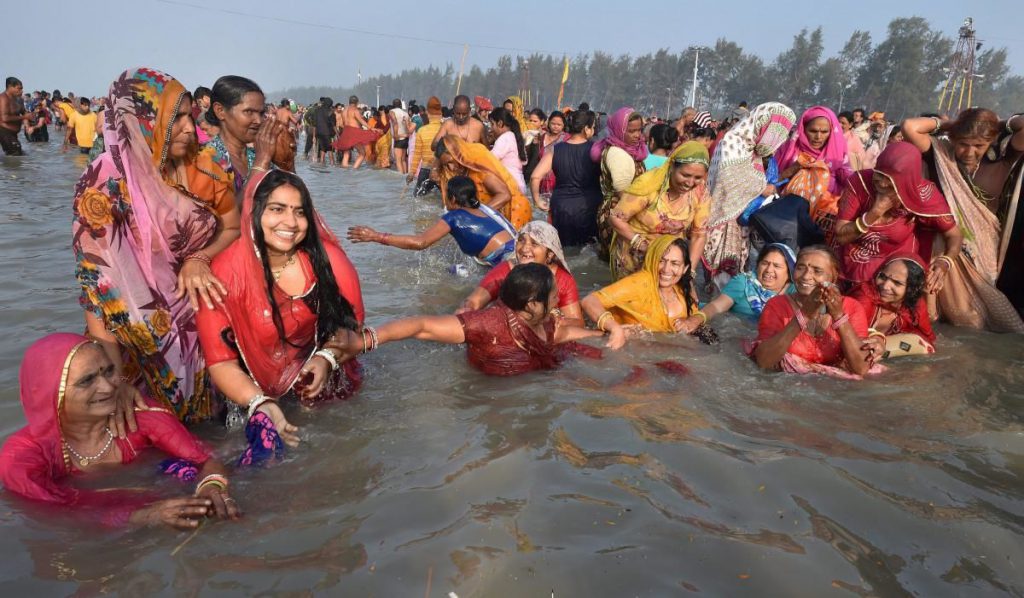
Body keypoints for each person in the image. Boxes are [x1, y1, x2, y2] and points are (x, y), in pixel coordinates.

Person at [73, 67, 239, 423]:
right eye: (174, 118)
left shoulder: (203, 166)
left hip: (201, 323)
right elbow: (99, 290)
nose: (187, 127)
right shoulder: (102, 187)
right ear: (140, 122)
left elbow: (232, 227)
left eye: (189, 116)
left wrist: (199, 257)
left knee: (213, 430)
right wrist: (112, 378)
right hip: (131, 345)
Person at [0, 334, 241, 529]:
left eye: (108, 371)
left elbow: (206, 457)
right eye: (87, 381)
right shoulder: (21, 456)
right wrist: (144, 515)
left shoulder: (140, 415)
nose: (107, 387)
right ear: (50, 393)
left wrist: (212, 486)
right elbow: (52, 509)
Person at [197, 170, 364, 445]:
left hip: (322, 382)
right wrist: (260, 403)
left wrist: (327, 358)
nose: (291, 222)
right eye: (277, 209)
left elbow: (352, 325)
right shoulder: (223, 275)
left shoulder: (328, 261)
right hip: (249, 390)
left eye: (299, 212)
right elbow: (222, 361)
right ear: (254, 212)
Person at [329, 264, 606, 377]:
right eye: (554, 297)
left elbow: (571, 334)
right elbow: (421, 326)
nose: (558, 302)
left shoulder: (547, 323)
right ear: (533, 304)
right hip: (491, 399)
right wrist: (362, 341)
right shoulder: (486, 324)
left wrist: (613, 334)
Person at [902, 109, 1024, 332]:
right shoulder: (942, 156)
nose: (969, 151)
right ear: (953, 139)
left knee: (979, 314)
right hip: (945, 246)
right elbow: (910, 126)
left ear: (991, 141)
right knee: (940, 310)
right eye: (963, 143)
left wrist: (1000, 124)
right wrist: (953, 125)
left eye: (979, 145)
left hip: (985, 251)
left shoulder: (1003, 160)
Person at [833, 142, 961, 288]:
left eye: (890, 179)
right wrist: (874, 213)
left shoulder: (923, 195)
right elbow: (841, 236)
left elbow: (954, 234)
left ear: (907, 180)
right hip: (849, 264)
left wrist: (946, 261)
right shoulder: (860, 182)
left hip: (894, 275)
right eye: (879, 174)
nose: (881, 183)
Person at [703, 102, 796, 282]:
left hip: (742, 220)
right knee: (721, 268)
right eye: (773, 134)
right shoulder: (733, 142)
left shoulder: (755, 152)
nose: (775, 141)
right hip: (724, 216)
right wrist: (762, 188)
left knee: (736, 268)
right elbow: (726, 179)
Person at [750, 246, 876, 379]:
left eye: (817, 271)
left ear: (833, 277)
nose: (806, 276)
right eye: (800, 268)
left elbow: (861, 368)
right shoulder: (777, 305)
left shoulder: (852, 307)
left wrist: (839, 316)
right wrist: (803, 315)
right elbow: (763, 362)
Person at [347, 175, 516, 266]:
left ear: (452, 198)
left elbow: (420, 243)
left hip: (510, 261)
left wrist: (376, 236)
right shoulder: (484, 210)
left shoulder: (454, 217)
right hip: (516, 251)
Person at [582, 236, 713, 349]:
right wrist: (615, 329)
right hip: (622, 347)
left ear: (684, 269)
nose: (666, 269)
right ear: (652, 260)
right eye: (661, 261)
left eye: (675, 263)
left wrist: (692, 321)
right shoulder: (640, 282)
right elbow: (589, 301)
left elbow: (697, 321)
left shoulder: (683, 290)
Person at [608, 142, 711, 280]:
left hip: (670, 260)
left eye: (698, 177)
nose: (690, 183)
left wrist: (689, 272)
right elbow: (616, 218)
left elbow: (699, 235)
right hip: (635, 255)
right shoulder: (650, 184)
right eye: (685, 175)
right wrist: (645, 247)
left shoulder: (700, 192)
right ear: (672, 166)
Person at [456, 221, 583, 326]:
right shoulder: (506, 271)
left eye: (534, 243)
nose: (524, 248)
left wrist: (547, 323)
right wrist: (467, 310)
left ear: (550, 254)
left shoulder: (562, 280)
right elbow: (474, 300)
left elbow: (577, 323)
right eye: (521, 241)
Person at [680, 243, 796, 331]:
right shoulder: (744, 282)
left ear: (789, 272)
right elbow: (716, 306)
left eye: (777, 266)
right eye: (764, 263)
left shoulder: (794, 291)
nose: (769, 270)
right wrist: (695, 320)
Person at [774, 106, 852, 237]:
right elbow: (772, 181)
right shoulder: (789, 149)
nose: (818, 137)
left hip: (821, 221)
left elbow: (850, 179)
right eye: (813, 131)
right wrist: (795, 168)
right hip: (787, 219)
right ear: (803, 129)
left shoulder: (838, 155)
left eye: (824, 132)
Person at [530, 109, 602, 247]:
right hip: (589, 207)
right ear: (586, 129)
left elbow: (534, 177)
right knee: (588, 250)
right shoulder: (595, 149)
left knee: (562, 249)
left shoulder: (556, 149)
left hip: (561, 208)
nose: (593, 130)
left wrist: (537, 200)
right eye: (592, 127)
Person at [205, 76, 286, 194]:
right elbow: (228, 210)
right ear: (220, 110)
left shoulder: (255, 155)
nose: (258, 121)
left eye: (261, 113)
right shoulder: (207, 158)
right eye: (249, 112)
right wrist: (261, 161)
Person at [434, 134, 532, 229]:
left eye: (451, 161)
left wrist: (477, 215)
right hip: (494, 213)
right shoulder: (463, 172)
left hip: (515, 211)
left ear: (458, 154)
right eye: (446, 165)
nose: (451, 168)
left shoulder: (479, 167)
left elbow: (504, 195)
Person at [851, 253, 937, 360]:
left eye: (896, 283)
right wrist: (877, 337)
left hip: (880, 348)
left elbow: (929, 340)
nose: (886, 286)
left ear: (911, 289)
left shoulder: (915, 307)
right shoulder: (865, 294)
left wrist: (884, 343)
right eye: (883, 277)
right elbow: (851, 331)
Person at [593, 107, 649, 259]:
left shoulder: (630, 151)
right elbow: (623, 192)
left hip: (623, 210)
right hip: (619, 212)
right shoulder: (618, 154)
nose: (638, 135)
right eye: (632, 131)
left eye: (639, 130)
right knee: (621, 259)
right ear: (619, 130)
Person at [524, 110, 567, 200]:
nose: (555, 126)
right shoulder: (541, 136)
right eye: (553, 123)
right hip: (538, 176)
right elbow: (531, 156)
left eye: (559, 125)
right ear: (548, 123)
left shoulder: (566, 139)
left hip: (557, 178)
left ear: (563, 125)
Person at [488, 107, 528, 194]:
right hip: (518, 183)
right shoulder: (513, 136)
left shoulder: (505, 137)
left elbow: (490, 159)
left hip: (511, 185)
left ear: (500, 123)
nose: (491, 129)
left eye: (492, 124)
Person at [408, 96, 443, 196]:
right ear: (441, 113)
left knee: (418, 199)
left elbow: (417, 155)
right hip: (442, 170)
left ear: (427, 113)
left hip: (426, 170)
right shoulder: (446, 129)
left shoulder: (422, 131)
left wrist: (411, 173)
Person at [333, 95, 379, 169]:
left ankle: (344, 170)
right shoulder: (355, 110)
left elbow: (344, 123)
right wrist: (371, 128)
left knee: (346, 152)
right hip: (354, 132)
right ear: (357, 103)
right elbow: (361, 121)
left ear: (349, 102)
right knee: (362, 153)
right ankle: (354, 169)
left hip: (345, 131)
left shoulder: (344, 111)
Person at [1, 76, 29, 155]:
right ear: (10, 87)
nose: (21, 91)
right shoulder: (3, 98)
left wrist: (27, 125)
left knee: (19, 155)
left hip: (14, 134)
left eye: (22, 88)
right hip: (4, 132)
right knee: (15, 155)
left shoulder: (19, 99)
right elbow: (4, 118)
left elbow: (24, 112)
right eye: (19, 88)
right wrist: (24, 117)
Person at [388, 99, 411, 174]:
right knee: (403, 159)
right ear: (400, 105)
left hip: (398, 137)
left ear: (393, 105)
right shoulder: (405, 113)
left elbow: (395, 122)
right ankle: (405, 175)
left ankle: (401, 178)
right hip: (406, 137)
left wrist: (395, 135)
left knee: (398, 160)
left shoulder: (391, 112)